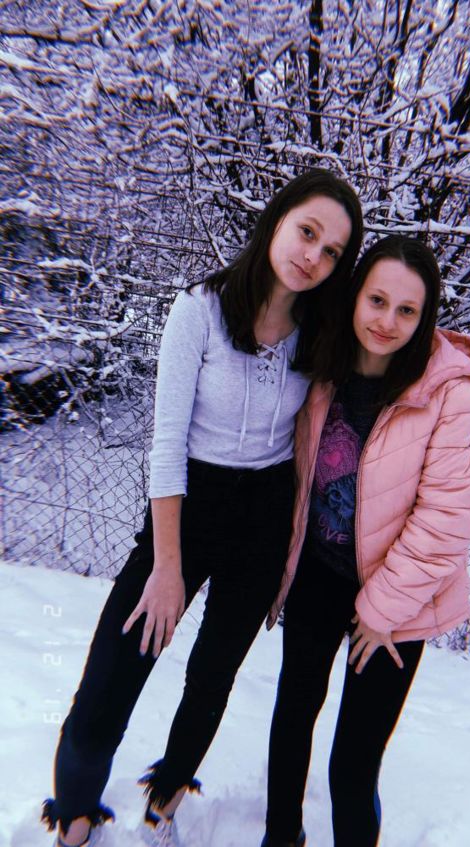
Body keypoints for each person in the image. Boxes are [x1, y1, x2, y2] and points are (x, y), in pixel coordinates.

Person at [41, 168, 365, 847]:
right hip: (189, 509)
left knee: (213, 674)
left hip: (266, 516)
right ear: (277, 220)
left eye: (332, 250)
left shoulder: (321, 332)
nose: (314, 255)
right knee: (116, 667)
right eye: (307, 232)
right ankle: (74, 813)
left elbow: (393, 349)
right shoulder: (201, 310)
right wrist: (167, 566)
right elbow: (166, 445)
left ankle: (166, 797)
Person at [260, 235, 470, 847]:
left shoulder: (449, 395)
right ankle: (280, 836)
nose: (387, 321)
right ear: (355, 297)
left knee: (353, 763)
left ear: (425, 318)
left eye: (407, 310)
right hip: (318, 574)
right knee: (292, 720)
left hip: (400, 603)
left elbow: (446, 520)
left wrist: (381, 610)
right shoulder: (322, 363)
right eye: (377, 300)